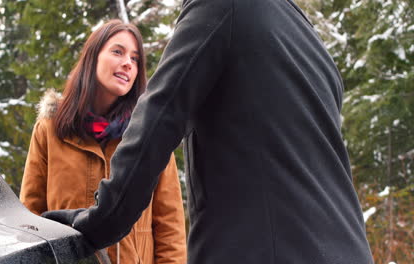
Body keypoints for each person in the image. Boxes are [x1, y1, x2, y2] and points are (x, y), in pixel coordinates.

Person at [43, 0, 374, 263]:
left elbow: (160, 114)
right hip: (348, 248)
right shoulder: (310, 41)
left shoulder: (222, 6)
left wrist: (101, 222)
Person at [20, 20, 187, 264]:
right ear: (92, 58)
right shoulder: (49, 129)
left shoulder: (150, 135)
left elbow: (170, 227)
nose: (128, 63)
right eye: (118, 52)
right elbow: (30, 218)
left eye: (135, 58)